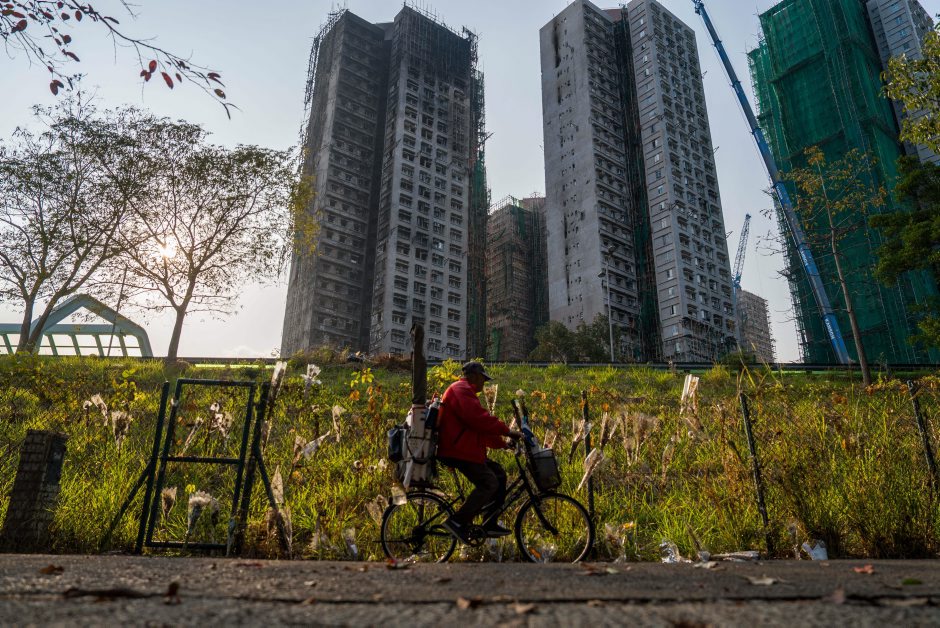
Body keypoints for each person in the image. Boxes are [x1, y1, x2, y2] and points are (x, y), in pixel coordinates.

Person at [436, 361, 522, 543]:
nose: (484, 384)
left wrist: (503, 444)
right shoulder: (460, 389)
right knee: (489, 483)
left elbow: (480, 430)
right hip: (457, 450)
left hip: (466, 449)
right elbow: (479, 420)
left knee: (499, 474)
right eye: (483, 379)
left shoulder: (466, 392)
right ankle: (457, 522)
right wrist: (507, 431)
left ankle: (489, 522)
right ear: (475, 376)